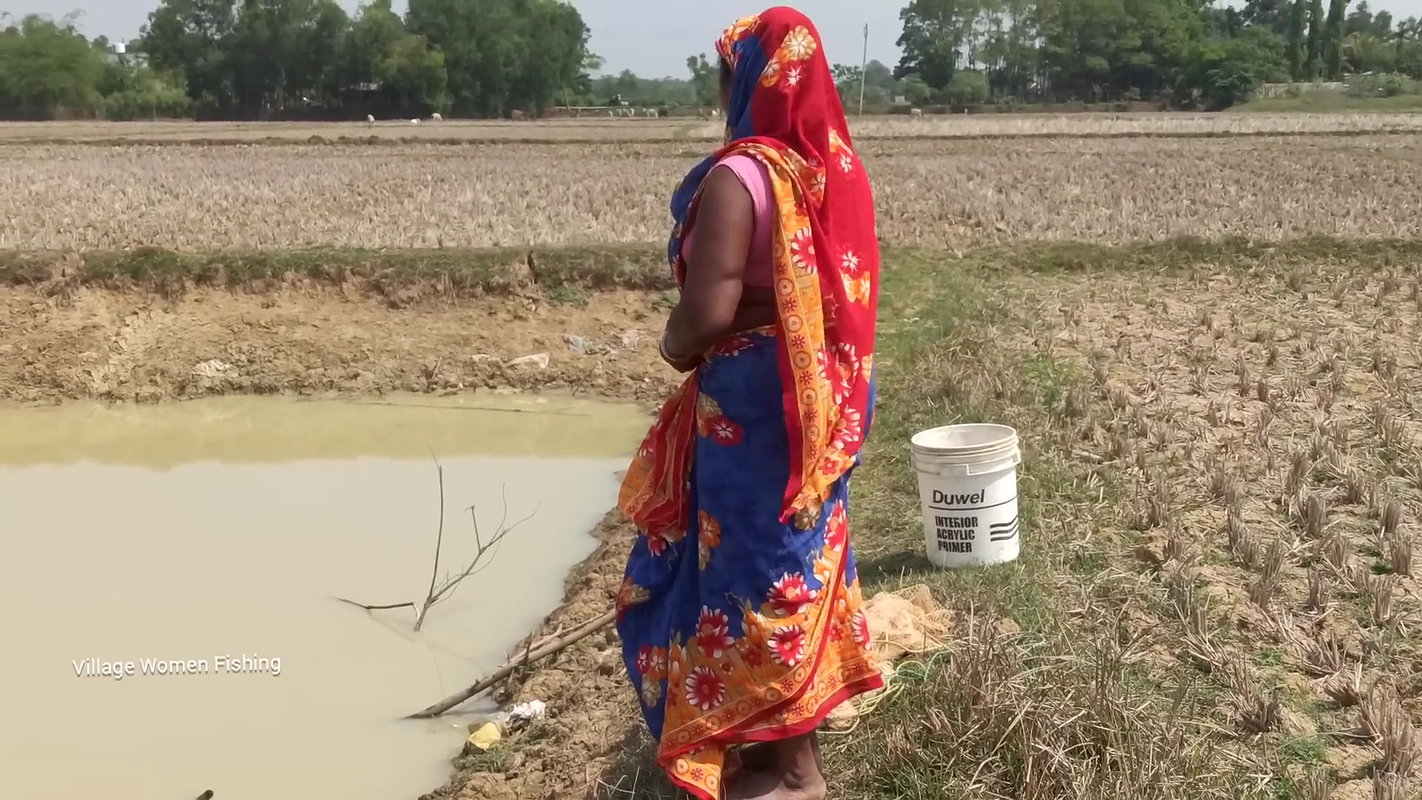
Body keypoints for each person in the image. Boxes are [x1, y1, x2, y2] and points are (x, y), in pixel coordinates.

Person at [615, 8, 882, 800]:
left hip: (753, 410)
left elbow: (708, 312)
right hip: (812, 400)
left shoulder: (742, 177)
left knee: (750, 573)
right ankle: (776, 753)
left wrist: (673, 348)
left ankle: (793, 772)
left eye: (725, 72)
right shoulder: (830, 169)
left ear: (750, 79)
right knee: (794, 560)